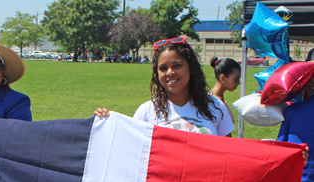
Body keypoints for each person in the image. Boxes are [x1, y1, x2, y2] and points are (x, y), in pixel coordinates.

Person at [95, 37, 234, 137]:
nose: (170, 73)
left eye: (177, 66)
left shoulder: (215, 106)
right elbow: (130, 151)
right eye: (163, 68)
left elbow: (230, 154)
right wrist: (106, 122)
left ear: (190, 68)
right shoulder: (146, 112)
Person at [209, 57, 241, 124]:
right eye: (236, 79)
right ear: (223, 78)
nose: (239, 83)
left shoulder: (216, 98)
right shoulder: (216, 103)